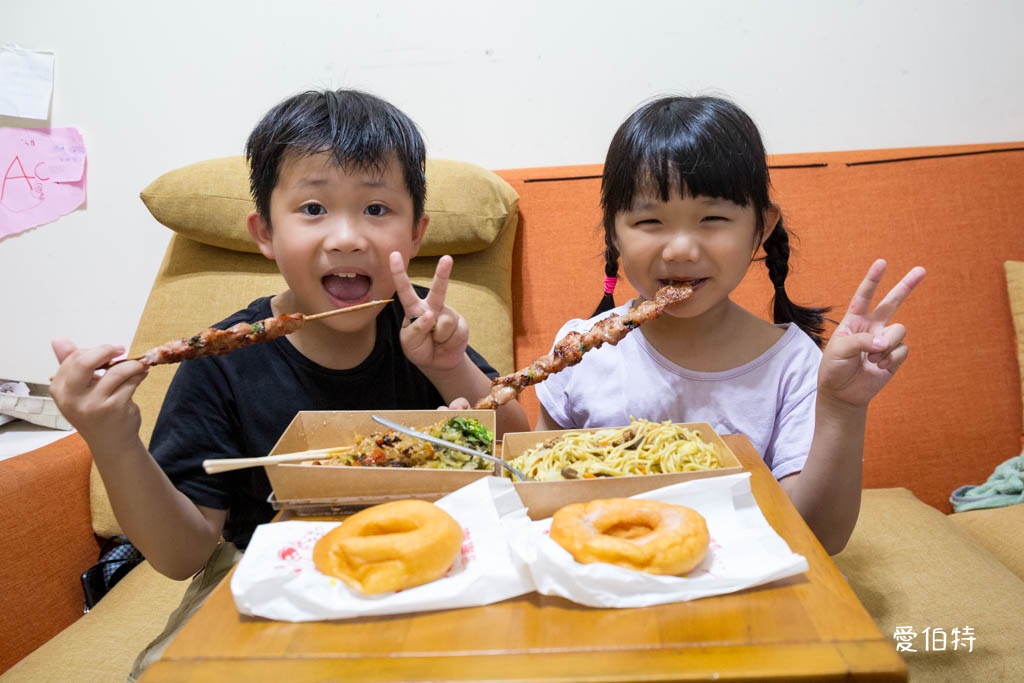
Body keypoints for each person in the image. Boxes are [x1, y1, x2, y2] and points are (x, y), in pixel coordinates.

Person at [49, 89, 529, 676]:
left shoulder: (425, 327)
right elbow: (183, 555)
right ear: (265, 233)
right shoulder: (221, 362)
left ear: (417, 234)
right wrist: (113, 441)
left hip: (419, 555)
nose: (347, 237)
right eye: (313, 208)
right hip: (262, 568)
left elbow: (517, 455)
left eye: (377, 208)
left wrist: (448, 366)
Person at [534, 95, 925, 554]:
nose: (681, 249)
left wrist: (843, 407)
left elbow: (822, 536)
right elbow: (537, 490)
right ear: (613, 232)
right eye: (650, 220)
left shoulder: (794, 365)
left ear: (762, 227)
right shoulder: (580, 352)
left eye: (713, 219)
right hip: (600, 566)